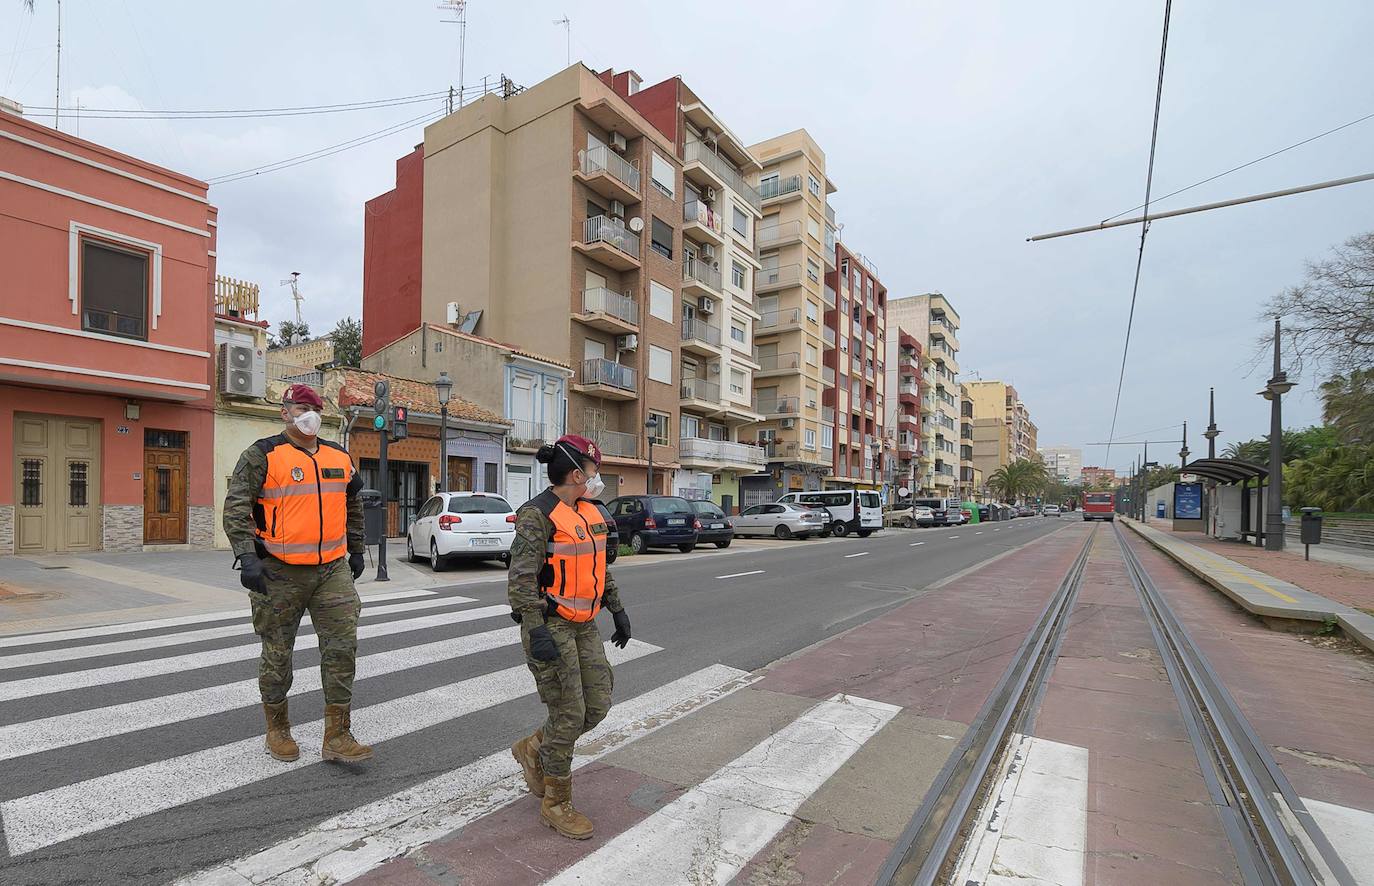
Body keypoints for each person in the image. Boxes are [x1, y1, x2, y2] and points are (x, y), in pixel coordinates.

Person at [222, 383, 373, 764]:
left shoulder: (339, 456)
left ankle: (337, 735)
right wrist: (247, 556)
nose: (309, 413)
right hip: (279, 571)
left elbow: (352, 504)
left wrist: (356, 550)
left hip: (331, 570)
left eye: (314, 407)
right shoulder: (262, 455)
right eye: (300, 407)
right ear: (284, 412)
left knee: (342, 649)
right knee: (277, 653)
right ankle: (277, 728)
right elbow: (235, 507)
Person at [508, 435, 631, 840]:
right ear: (577, 473)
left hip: (585, 623)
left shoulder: (588, 512)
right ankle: (556, 801)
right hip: (551, 624)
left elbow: (599, 567)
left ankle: (534, 749)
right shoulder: (537, 515)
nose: (597, 477)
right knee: (568, 714)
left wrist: (617, 608)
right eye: (594, 469)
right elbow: (521, 579)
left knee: (596, 704)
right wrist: (535, 627)